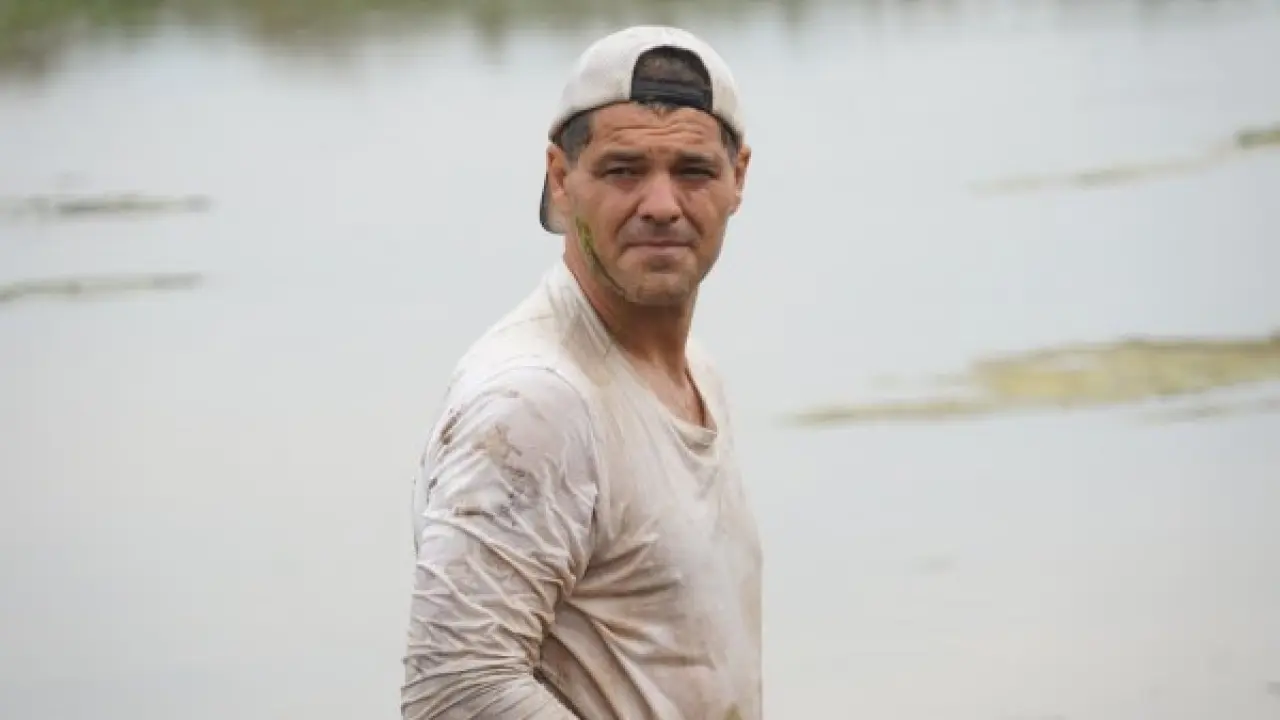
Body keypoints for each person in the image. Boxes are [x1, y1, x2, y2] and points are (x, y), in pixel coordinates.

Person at [401, 25, 760, 720]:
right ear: (561, 180)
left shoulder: (695, 370)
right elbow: (455, 690)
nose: (662, 205)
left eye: (693, 171)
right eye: (624, 170)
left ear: (738, 177)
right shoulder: (535, 402)